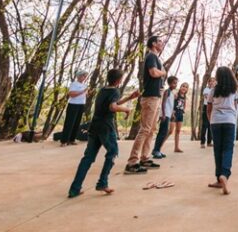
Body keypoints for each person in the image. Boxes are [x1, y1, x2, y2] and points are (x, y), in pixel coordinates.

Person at [68, 69, 139, 197]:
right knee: (112, 152)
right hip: (106, 127)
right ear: (118, 80)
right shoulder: (115, 91)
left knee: (88, 158)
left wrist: (129, 98)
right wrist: (126, 109)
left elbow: (111, 103)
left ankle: (74, 188)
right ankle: (102, 182)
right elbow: (113, 107)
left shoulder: (103, 90)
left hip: (95, 126)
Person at [125, 36, 166, 174]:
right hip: (149, 98)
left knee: (151, 129)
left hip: (155, 97)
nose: (162, 43)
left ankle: (144, 158)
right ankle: (132, 162)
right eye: (160, 41)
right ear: (154, 44)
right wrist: (164, 72)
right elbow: (153, 73)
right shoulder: (151, 57)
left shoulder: (155, 57)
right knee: (145, 129)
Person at [207, 66, 238, 195]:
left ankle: (219, 179)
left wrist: (211, 120)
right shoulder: (234, 91)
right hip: (229, 121)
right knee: (228, 149)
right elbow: (235, 107)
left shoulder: (213, 90)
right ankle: (224, 175)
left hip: (216, 122)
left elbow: (208, 109)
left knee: (217, 150)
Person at [61, 70, 89, 146]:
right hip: (73, 105)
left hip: (81, 105)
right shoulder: (74, 84)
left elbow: (85, 95)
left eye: (85, 76)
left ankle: (72, 139)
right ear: (79, 76)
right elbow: (71, 94)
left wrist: (86, 93)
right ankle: (64, 141)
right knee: (69, 122)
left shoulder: (85, 85)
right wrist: (82, 91)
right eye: (83, 75)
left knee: (77, 123)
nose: (84, 77)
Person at [152, 76, 177, 159]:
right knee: (162, 133)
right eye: (174, 83)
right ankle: (156, 150)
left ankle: (158, 149)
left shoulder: (172, 93)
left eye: (176, 83)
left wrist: (172, 113)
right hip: (165, 115)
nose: (175, 85)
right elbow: (163, 103)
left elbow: (170, 105)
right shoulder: (167, 91)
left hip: (168, 114)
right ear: (169, 83)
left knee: (164, 133)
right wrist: (163, 114)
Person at [171, 82, 188, 153]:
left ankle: (176, 148)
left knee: (178, 131)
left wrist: (183, 111)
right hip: (174, 114)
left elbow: (184, 105)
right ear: (180, 87)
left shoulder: (184, 96)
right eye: (183, 86)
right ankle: (159, 147)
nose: (184, 88)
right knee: (170, 131)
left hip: (180, 114)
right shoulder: (176, 95)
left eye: (186, 87)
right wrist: (172, 112)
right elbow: (171, 103)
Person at [200, 77, 215, 148]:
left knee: (210, 125)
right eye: (210, 81)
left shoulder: (215, 90)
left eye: (213, 81)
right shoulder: (206, 89)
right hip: (206, 107)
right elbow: (207, 97)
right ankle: (202, 142)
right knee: (204, 125)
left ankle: (209, 142)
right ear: (208, 83)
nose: (212, 83)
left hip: (213, 108)